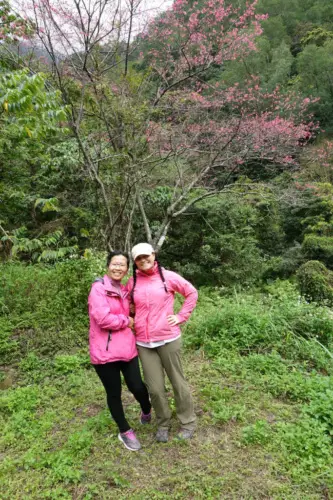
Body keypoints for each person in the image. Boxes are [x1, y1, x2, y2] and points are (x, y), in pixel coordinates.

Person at [128, 242, 198, 443]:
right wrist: (131, 318)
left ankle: (188, 422)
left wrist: (181, 316)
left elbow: (191, 292)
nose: (143, 260)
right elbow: (128, 305)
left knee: (178, 382)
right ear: (135, 262)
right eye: (139, 258)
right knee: (156, 389)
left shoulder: (168, 276)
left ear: (153, 254)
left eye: (146, 256)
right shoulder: (132, 282)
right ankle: (163, 423)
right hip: (143, 342)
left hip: (168, 338)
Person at [88, 250, 152, 451]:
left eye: (122, 265)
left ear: (127, 269)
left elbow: (134, 310)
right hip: (104, 352)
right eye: (114, 264)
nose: (118, 267)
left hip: (126, 348)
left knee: (137, 386)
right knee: (114, 392)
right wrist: (127, 321)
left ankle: (146, 408)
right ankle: (124, 430)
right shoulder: (98, 289)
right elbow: (103, 319)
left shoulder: (125, 290)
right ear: (108, 266)